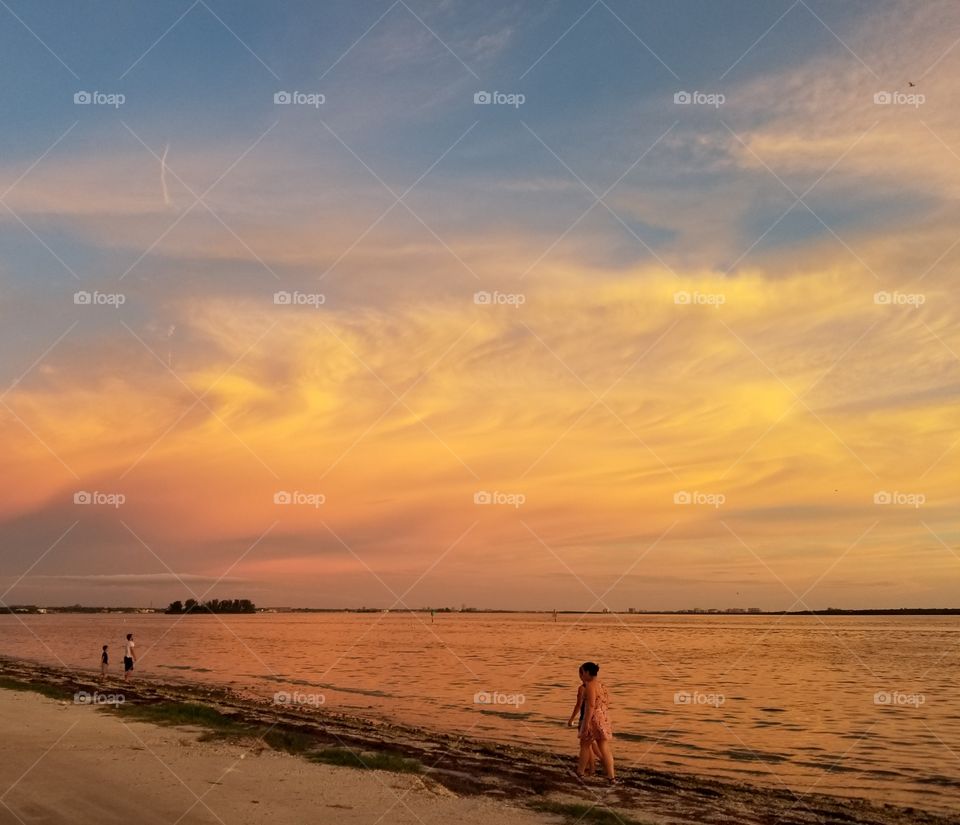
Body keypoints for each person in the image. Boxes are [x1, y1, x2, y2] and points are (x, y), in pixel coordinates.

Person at [577, 661, 615, 782]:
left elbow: (591, 706)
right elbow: (607, 702)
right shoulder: (602, 686)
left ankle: (580, 772)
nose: (582, 675)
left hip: (593, 718)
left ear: (588, 672)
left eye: (583, 672)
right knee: (604, 747)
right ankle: (611, 776)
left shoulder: (590, 685)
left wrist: (586, 723)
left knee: (585, 745)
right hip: (604, 717)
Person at [567, 665, 603, 771]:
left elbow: (578, 705)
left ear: (584, 674)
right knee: (591, 745)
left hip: (585, 718)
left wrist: (571, 718)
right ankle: (602, 762)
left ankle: (592, 768)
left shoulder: (582, 688)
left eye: (580, 673)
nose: (580, 676)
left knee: (586, 746)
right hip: (596, 718)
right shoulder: (598, 686)